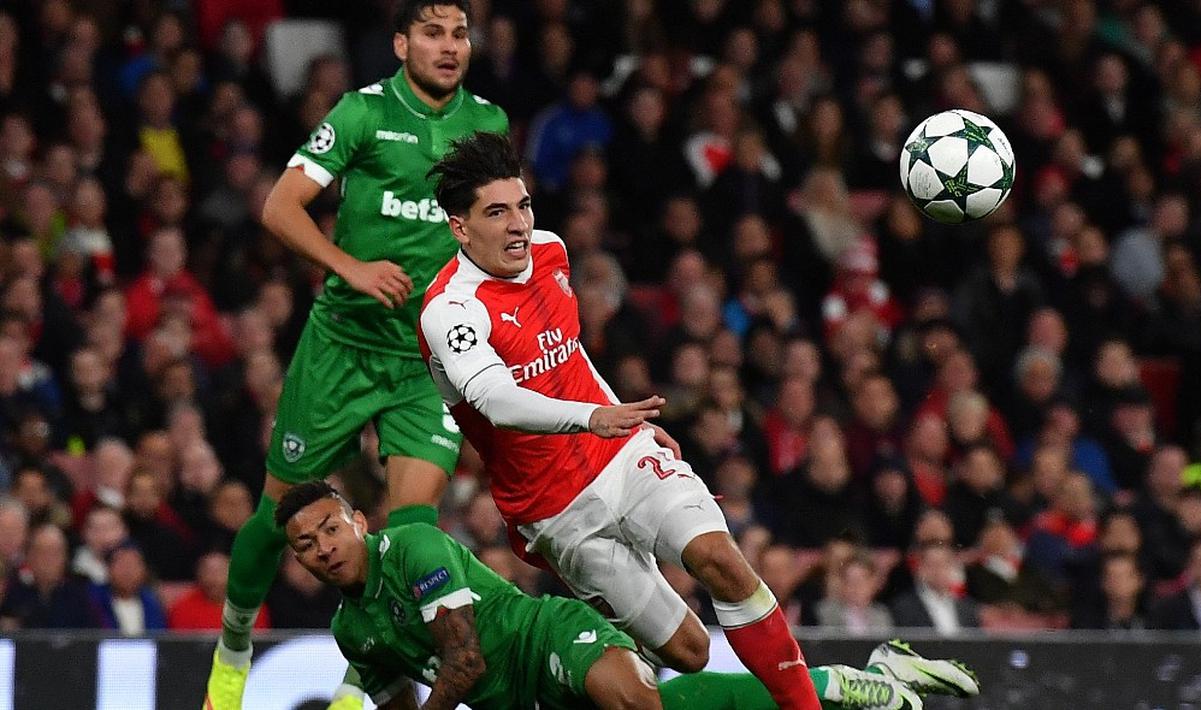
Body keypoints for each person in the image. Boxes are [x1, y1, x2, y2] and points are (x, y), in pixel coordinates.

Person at [416, 132, 978, 709]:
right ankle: (852, 680)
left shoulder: (550, 252)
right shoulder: (451, 310)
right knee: (690, 651)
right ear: (460, 228)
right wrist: (593, 415)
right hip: (555, 511)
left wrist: (623, 421)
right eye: (497, 213)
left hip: (620, 457)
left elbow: (568, 351)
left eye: (524, 205)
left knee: (720, 560)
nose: (518, 225)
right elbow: (496, 399)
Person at [203, 2, 508, 708]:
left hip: (427, 358)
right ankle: (234, 646)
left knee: (411, 533)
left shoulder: (487, 123)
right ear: (401, 43)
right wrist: (350, 267)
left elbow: (498, 226)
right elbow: (280, 206)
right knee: (275, 518)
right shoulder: (362, 113)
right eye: (432, 33)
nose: (448, 46)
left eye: (459, 34)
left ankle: (359, 680)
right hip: (342, 346)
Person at [278, 480, 981, 709]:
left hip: (544, 637)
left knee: (635, 701)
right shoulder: (352, 631)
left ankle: (840, 684)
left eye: (330, 528)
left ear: (358, 521)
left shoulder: (412, 548)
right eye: (306, 545)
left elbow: (462, 662)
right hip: (514, 704)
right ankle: (849, 681)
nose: (323, 547)